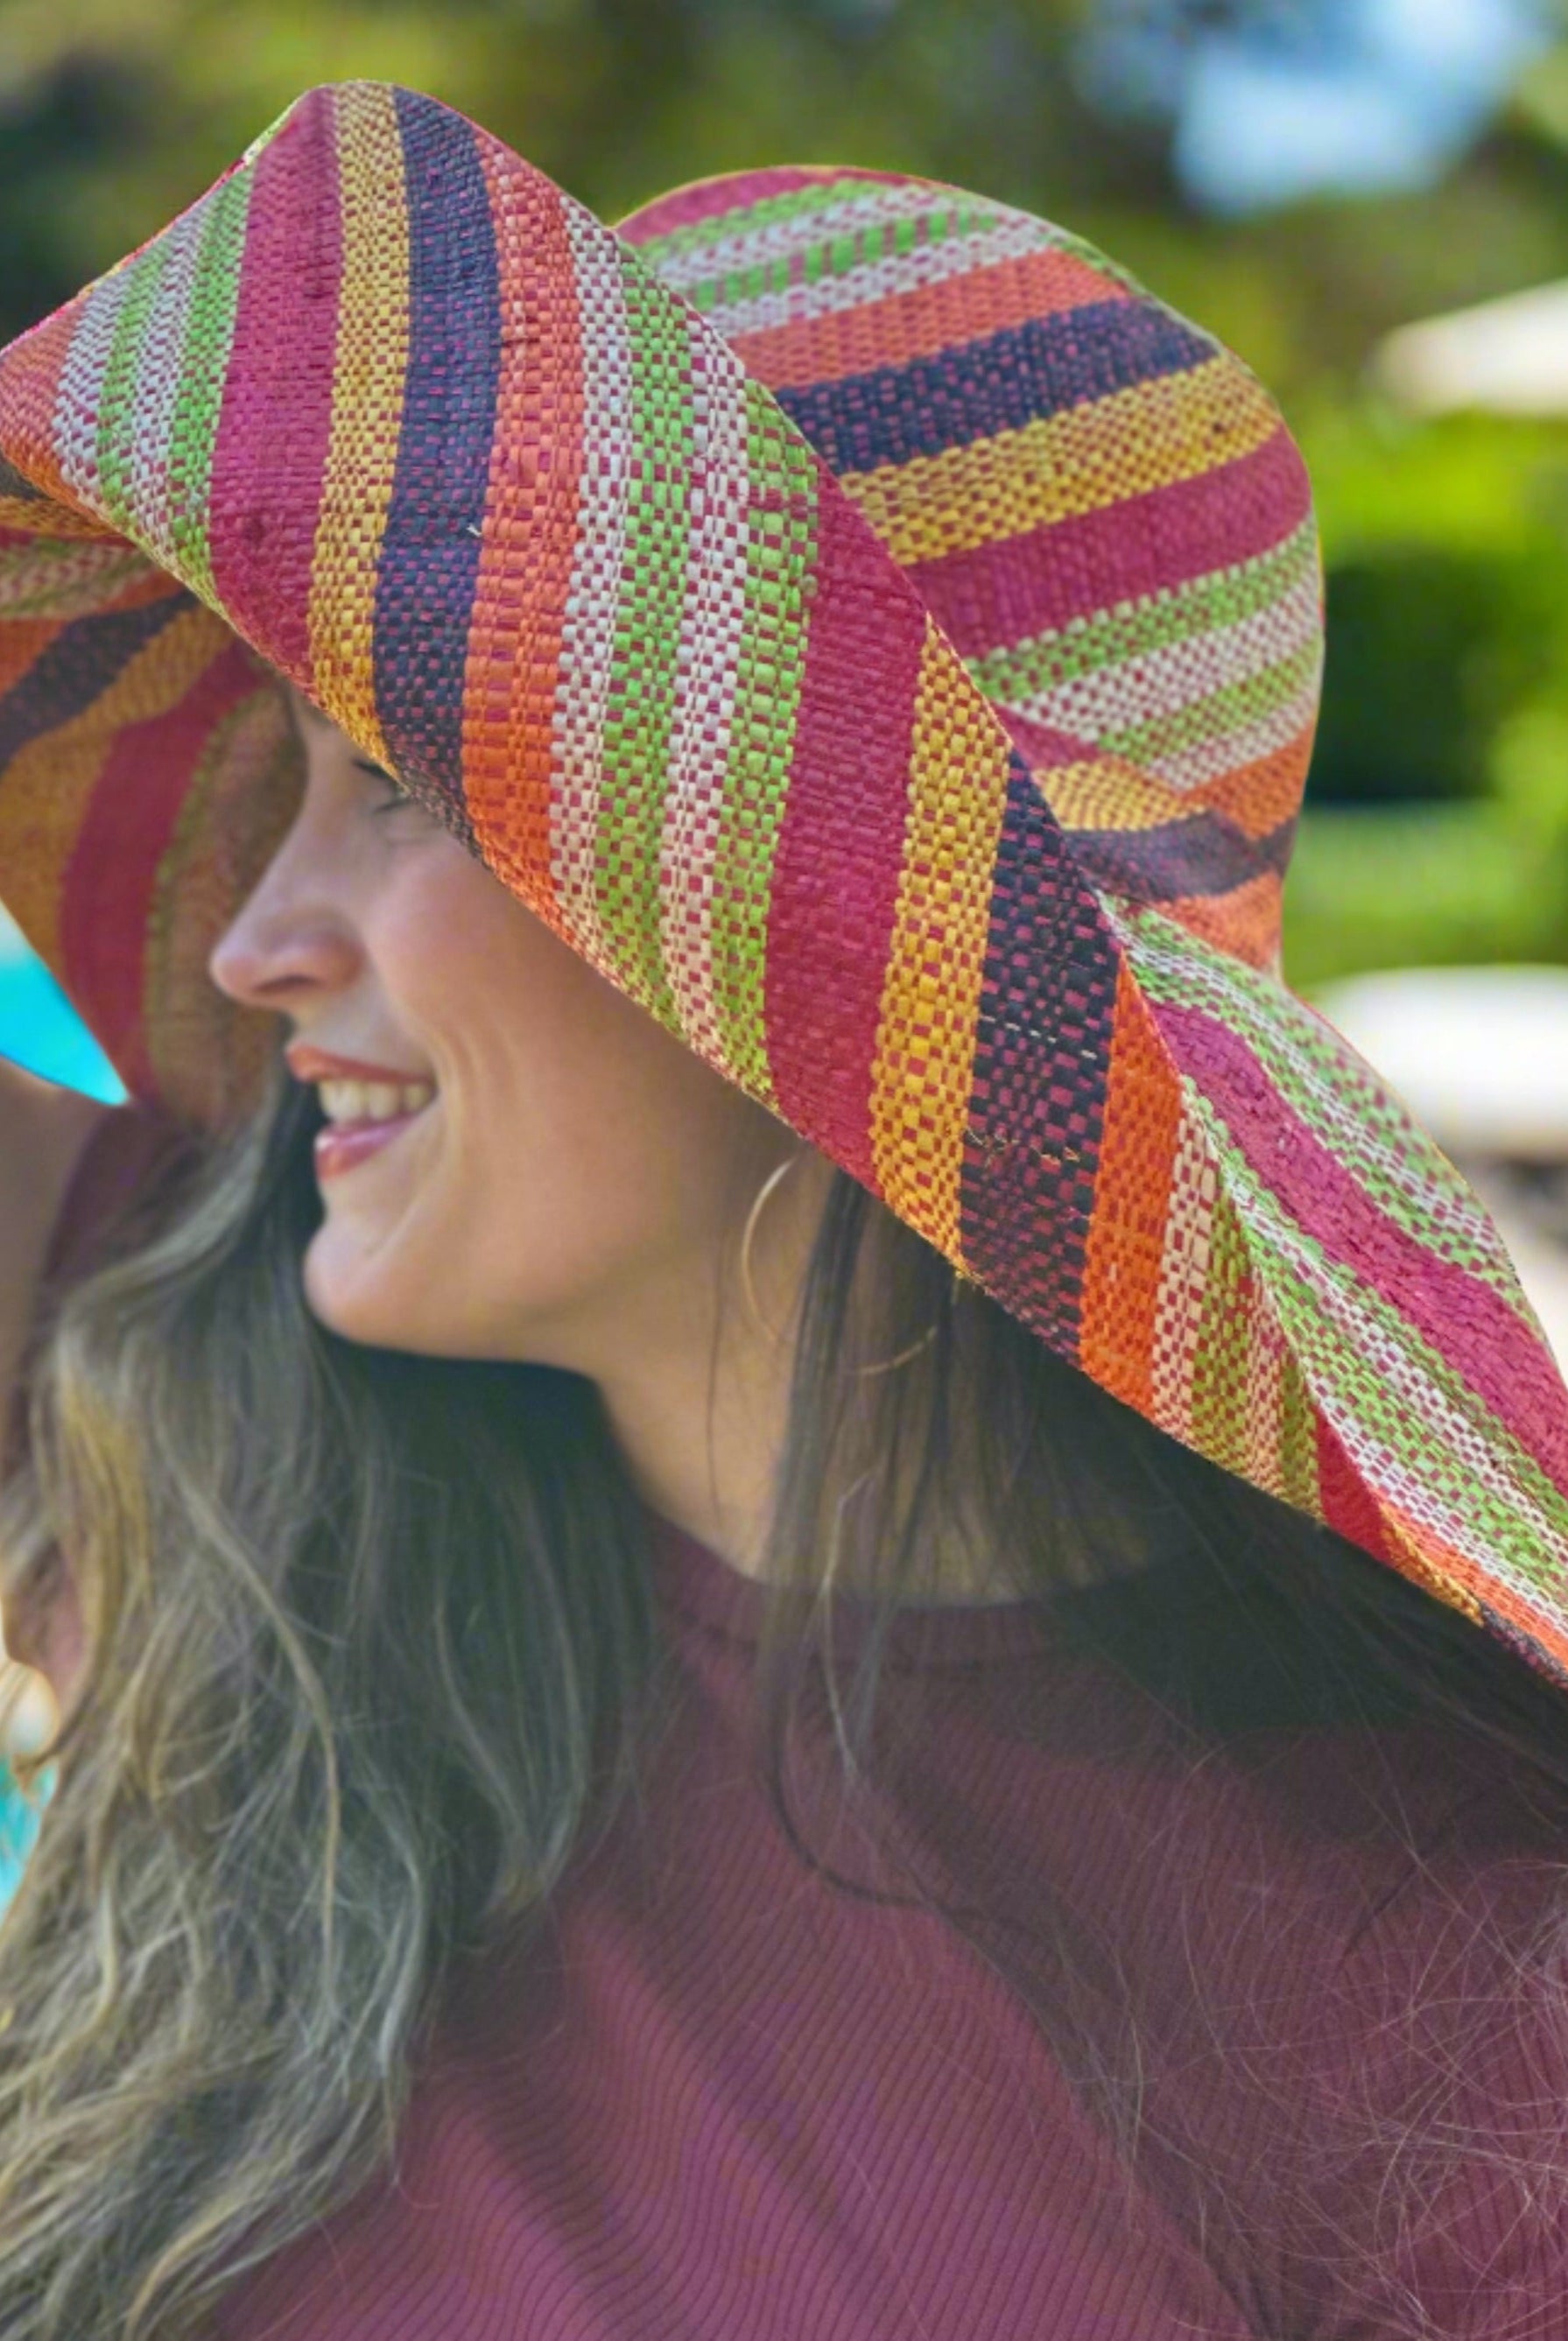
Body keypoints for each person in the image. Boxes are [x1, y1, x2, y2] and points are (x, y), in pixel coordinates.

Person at [1, 81, 1568, 2341]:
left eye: (405, 785)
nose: (257, 940)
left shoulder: (1448, 2029)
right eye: (290, 779)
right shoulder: (219, 1407)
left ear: (792, 930)